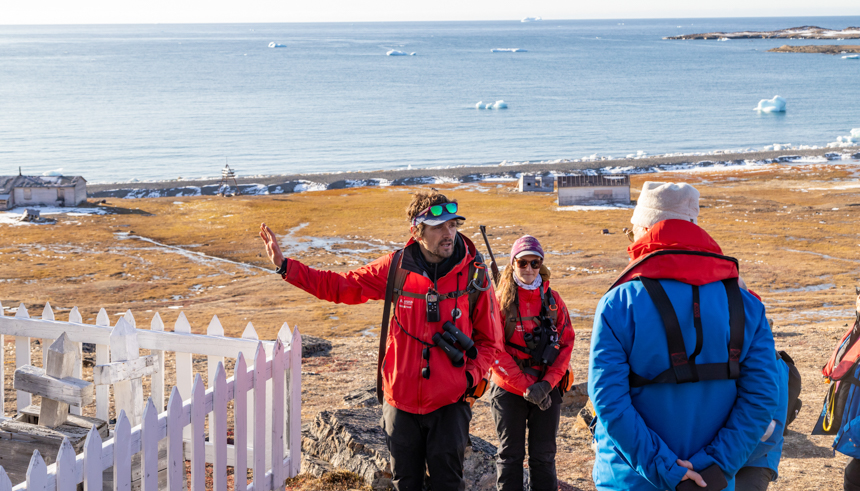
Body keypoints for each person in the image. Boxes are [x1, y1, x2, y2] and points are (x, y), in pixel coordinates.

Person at [259, 190, 503, 491]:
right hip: (400, 403)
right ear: (417, 230)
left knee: (449, 485)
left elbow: (491, 341)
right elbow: (341, 287)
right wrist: (287, 268)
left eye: (453, 225)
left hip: (450, 405)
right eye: (439, 226)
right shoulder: (395, 269)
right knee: (404, 483)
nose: (448, 233)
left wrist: (467, 378)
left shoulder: (473, 274)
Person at [588, 181, 780, 490]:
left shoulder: (618, 303)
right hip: (713, 480)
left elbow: (609, 401)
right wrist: (717, 466)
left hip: (633, 479)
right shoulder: (746, 305)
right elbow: (761, 397)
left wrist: (667, 469)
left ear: (646, 229)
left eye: (631, 231)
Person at [489, 235, 575, 491]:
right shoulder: (499, 301)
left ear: (541, 264)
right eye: (522, 263)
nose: (528, 269)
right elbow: (494, 350)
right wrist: (527, 387)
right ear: (512, 264)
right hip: (509, 389)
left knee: (544, 456)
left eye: (534, 263)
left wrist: (546, 385)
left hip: (547, 390)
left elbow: (566, 344)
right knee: (509, 455)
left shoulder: (553, 301)